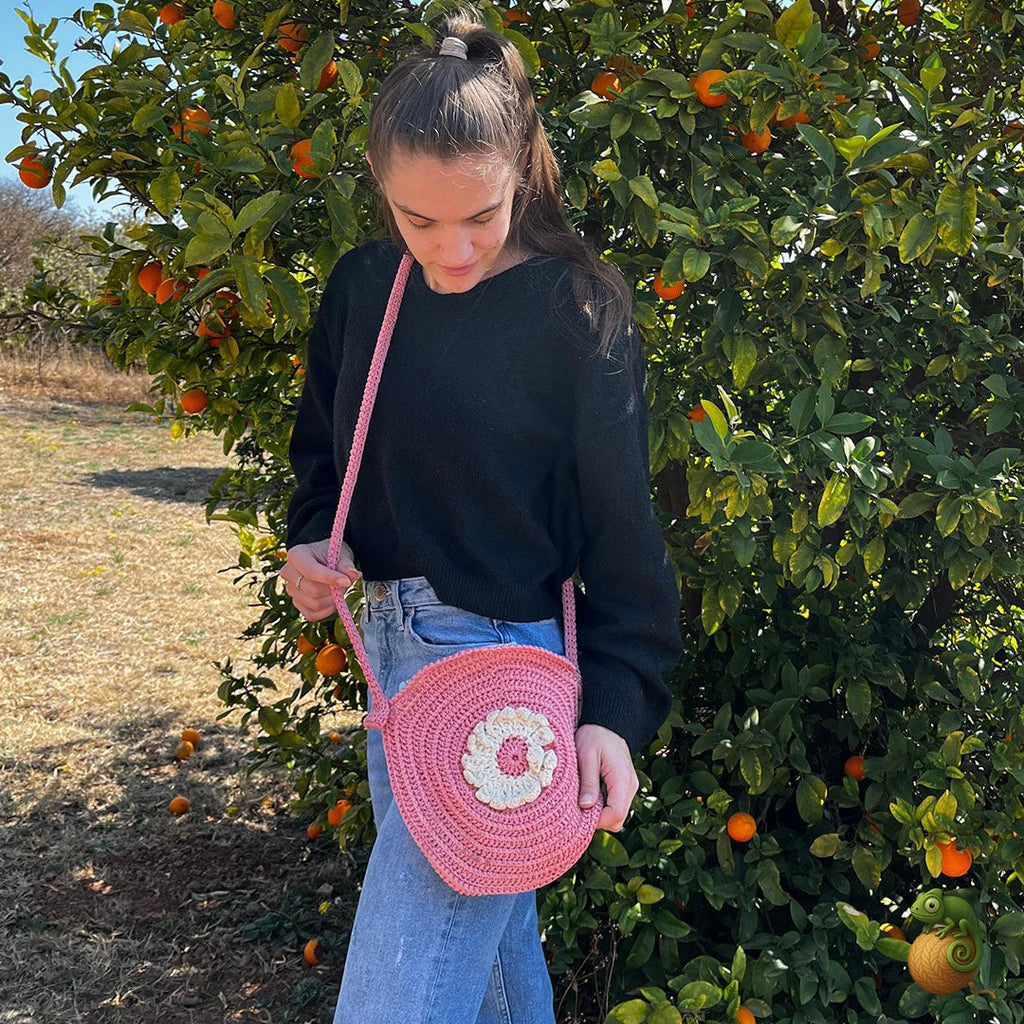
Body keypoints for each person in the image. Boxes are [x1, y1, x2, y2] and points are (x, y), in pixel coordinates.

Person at [278, 10, 683, 1023]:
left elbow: (621, 529)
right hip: (388, 657)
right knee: (495, 974)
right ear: (380, 190)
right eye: (417, 219)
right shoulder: (364, 288)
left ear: (521, 174)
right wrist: (313, 538)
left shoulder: (574, 311)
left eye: (480, 216)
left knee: (397, 999)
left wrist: (616, 710)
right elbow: (324, 451)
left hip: (502, 681)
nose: (449, 248)